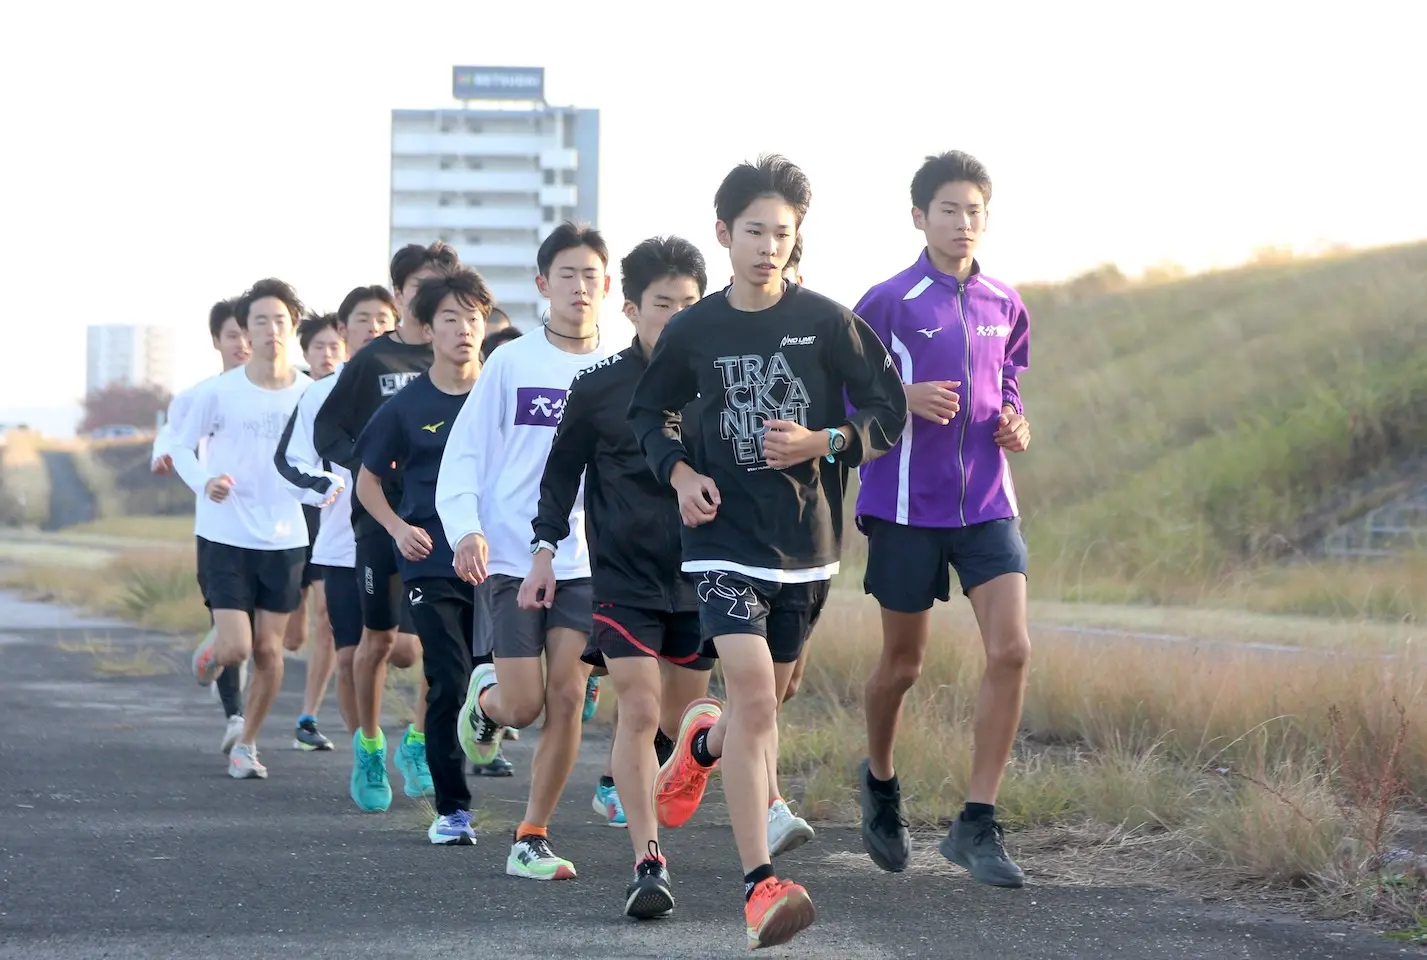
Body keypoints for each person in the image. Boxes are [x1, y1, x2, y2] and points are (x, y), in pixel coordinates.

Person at [627, 154, 907, 949]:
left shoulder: (826, 321)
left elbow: (886, 410)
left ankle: (700, 747)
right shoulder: (694, 329)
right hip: (720, 539)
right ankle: (760, 885)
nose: (768, 246)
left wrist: (826, 441)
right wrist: (680, 474)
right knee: (752, 693)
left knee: (765, 703)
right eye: (754, 231)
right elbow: (650, 415)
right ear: (724, 233)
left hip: (805, 547)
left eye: (782, 233)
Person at [853, 150, 1033, 889]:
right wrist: (902, 396)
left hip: (987, 503)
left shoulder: (1004, 303)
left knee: (1012, 650)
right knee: (903, 666)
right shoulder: (886, 302)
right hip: (904, 507)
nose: (963, 223)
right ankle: (879, 780)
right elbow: (841, 393)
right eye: (949, 210)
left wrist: (1017, 421)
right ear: (919, 217)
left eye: (974, 211)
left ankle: (976, 822)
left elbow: (1008, 380)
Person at [524, 235, 718, 916]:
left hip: (702, 576)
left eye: (689, 304)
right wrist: (544, 549)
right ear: (632, 308)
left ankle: (687, 758)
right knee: (638, 708)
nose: (677, 316)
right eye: (663, 304)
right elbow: (559, 475)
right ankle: (647, 862)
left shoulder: (722, 383)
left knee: (681, 720)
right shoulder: (598, 385)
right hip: (624, 577)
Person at [437, 220, 616, 881]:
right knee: (525, 706)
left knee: (568, 696)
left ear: (607, 285)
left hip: (584, 562)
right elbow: (465, 454)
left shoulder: (619, 367)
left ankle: (530, 837)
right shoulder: (511, 363)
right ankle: (486, 705)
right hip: (512, 556)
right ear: (543, 284)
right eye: (567, 275)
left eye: (591, 275)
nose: (579, 287)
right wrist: (467, 529)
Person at [313, 242, 460, 811]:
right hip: (380, 518)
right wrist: (367, 463)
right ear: (400, 294)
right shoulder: (372, 361)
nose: (431, 297)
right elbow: (328, 430)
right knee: (377, 640)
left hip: (439, 518)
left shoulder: (462, 360)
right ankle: (370, 746)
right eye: (420, 286)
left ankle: (418, 745)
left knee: (434, 643)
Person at [354, 267, 493, 844]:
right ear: (428, 330)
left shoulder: (500, 397)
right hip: (431, 557)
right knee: (447, 677)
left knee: (495, 682)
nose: (464, 329)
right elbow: (367, 481)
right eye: (450, 319)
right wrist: (397, 528)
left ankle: (488, 723)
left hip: (497, 560)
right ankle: (452, 810)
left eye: (473, 318)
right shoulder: (406, 406)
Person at [174, 279, 319, 780]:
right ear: (247, 331)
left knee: (269, 651)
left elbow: (326, 456)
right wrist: (205, 481)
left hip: (285, 538)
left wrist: (325, 486)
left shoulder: (310, 393)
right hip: (225, 534)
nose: (271, 330)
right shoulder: (219, 392)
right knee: (236, 647)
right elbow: (180, 446)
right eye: (261, 321)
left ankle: (247, 744)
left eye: (280, 320)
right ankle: (213, 651)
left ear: (292, 327)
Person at [275, 291, 400, 749]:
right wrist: (326, 485)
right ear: (344, 330)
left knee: (406, 649)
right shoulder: (322, 392)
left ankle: (420, 745)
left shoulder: (419, 384)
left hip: (412, 539)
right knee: (350, 656)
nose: (373, 327)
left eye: (382, 319)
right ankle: (367, 752)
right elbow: (289, 461)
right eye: (362, 319)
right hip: (346, 542)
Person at [152, 298, 251, 751]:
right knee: (232, 624)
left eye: (248, 334)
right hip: (220, 527)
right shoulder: (201, 395)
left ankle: (216, 654)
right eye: (232, 336)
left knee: (259, 635)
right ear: (216, 341)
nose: (243, 344)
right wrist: (162, 457)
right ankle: (236, 719)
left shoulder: (290, 391)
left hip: (276, 531)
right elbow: (172, 437)